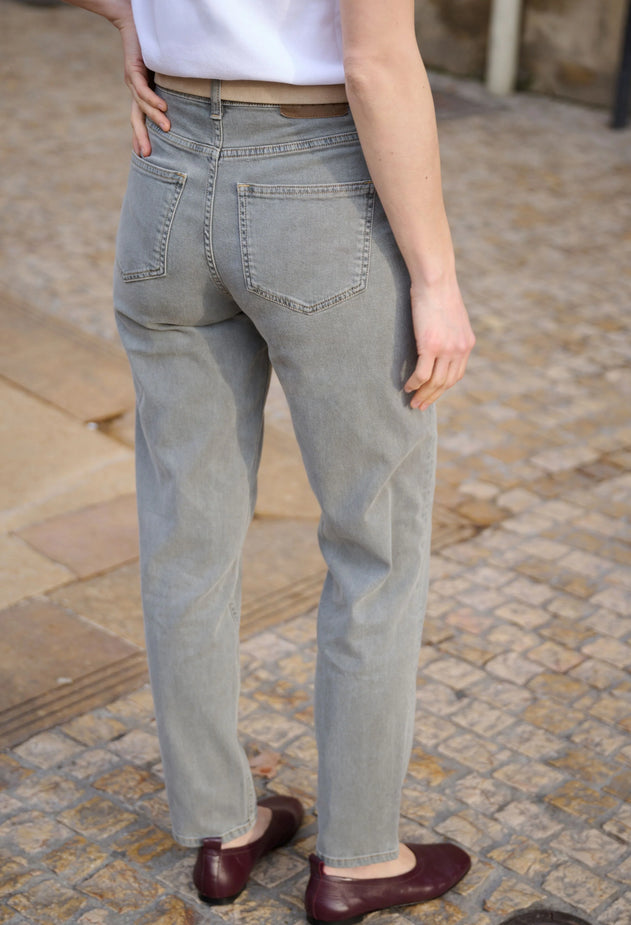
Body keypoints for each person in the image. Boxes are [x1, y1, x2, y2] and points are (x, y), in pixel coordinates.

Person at [62, 1, 476, 921]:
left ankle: (220, 828)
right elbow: (375, 64)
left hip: (166, 176)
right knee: (374, 543)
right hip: (314, 182)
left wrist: (132, 19)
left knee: (185, 534)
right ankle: (361, 857)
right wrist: (437, 278)